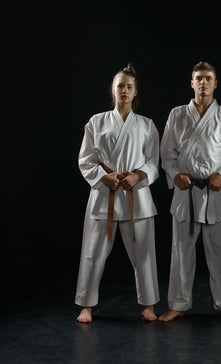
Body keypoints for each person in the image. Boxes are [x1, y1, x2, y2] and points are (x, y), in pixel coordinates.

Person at [158, 61, 221, 323]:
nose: (203, 83)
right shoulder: (177, 114)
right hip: (186, 191)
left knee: (219, 251)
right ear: (191, 83)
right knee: (181, 251)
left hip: (215, 190)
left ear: (215, 83)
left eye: (208, 78)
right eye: (199, 78)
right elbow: (166, 155)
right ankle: (178, 304)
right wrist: (175, 175)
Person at [75, 63, 160, 323]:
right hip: (105, 194)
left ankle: (148, 305)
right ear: (113, 90)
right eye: (120, 86)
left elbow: (154, 161)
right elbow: (85, 159)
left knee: (144, 253)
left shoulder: (147, 125)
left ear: (136, 93)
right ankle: (86, 306)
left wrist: (137, 175)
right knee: (93, 252)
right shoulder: (96, 122)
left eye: (129, 87)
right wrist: (103, 177)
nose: (124, 90)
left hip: (136, 196)